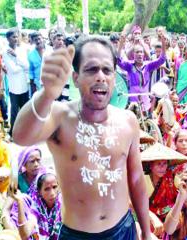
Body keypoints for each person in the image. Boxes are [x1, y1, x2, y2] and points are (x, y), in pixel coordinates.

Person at [13, 37, 152, 239]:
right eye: (91, 69)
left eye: (107, 70)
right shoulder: (60, 116)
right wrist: (46, 94)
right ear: (75, 77)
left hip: (123, 230)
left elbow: (137, 178)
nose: (101, 77)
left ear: (115, 77)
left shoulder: (128, 121)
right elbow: (20, 136)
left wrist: (146, 231)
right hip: (76, 234)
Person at [117, 34, 166, 113]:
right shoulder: (130, 65)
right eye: (137, 52)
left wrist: (163, 44)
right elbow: (118, 61)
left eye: (141, 52)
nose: (139, 54)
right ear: (134, 55)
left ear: (143, 54)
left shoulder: (148, 65)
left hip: (145, 97)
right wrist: (120, 45)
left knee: (145, 120)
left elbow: (161, 60)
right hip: (133, 98)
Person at [2, 28, 29, 135]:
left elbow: (27, 66)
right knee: (14, 111)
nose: (16, 39)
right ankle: (13, 132)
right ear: (8, 38)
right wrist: (21, 66)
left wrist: (16, 57)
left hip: (24, 85)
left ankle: (25, 132)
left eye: (17, 36)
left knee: (25, 110)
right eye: (13, 37)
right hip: (14, 86)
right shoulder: (5, 51)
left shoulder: (21, 50)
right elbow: (12, 70)